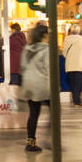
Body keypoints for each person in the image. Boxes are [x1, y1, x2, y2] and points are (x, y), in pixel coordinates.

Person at [19, 23, 51, 152]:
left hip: (30, 85)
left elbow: (22, 67)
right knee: (55, 112)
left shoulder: (27, 49)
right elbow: (49, 69)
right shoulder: (47, 49)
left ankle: (30, 142)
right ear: (44, 35)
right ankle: (52, 139)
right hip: (43, 84)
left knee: (33, 114)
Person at [63, 23, 82, 106]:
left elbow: (64, 53)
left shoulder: (66, 39)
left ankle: (75, 99)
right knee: (78, 82)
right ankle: (77, 100)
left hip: (70, 64)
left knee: (72, 82)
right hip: (80, 64)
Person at [8, 22, 26, 87]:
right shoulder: (23, 37)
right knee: (20, 85)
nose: (10, 31)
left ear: (13, 29)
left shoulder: (12, 38)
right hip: (21, 65)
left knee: (14, 85)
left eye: (11, 29)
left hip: (13, 65)